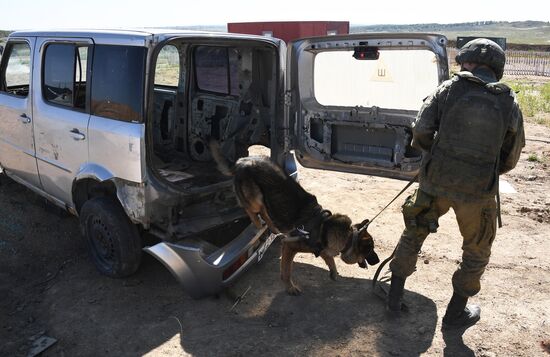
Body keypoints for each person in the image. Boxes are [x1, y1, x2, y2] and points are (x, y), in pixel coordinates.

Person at [386, 38, 525, 330]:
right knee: (476, 252)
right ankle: (455, 315)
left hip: (435, 183)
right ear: (496, 68)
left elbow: (421, 130)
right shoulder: (509, 101)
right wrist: (483, 170)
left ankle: (393, 301)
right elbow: (511, 157)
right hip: (478, 192)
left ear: (469, 62)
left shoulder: (448, 90)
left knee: (413, 235)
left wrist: (436, 159)